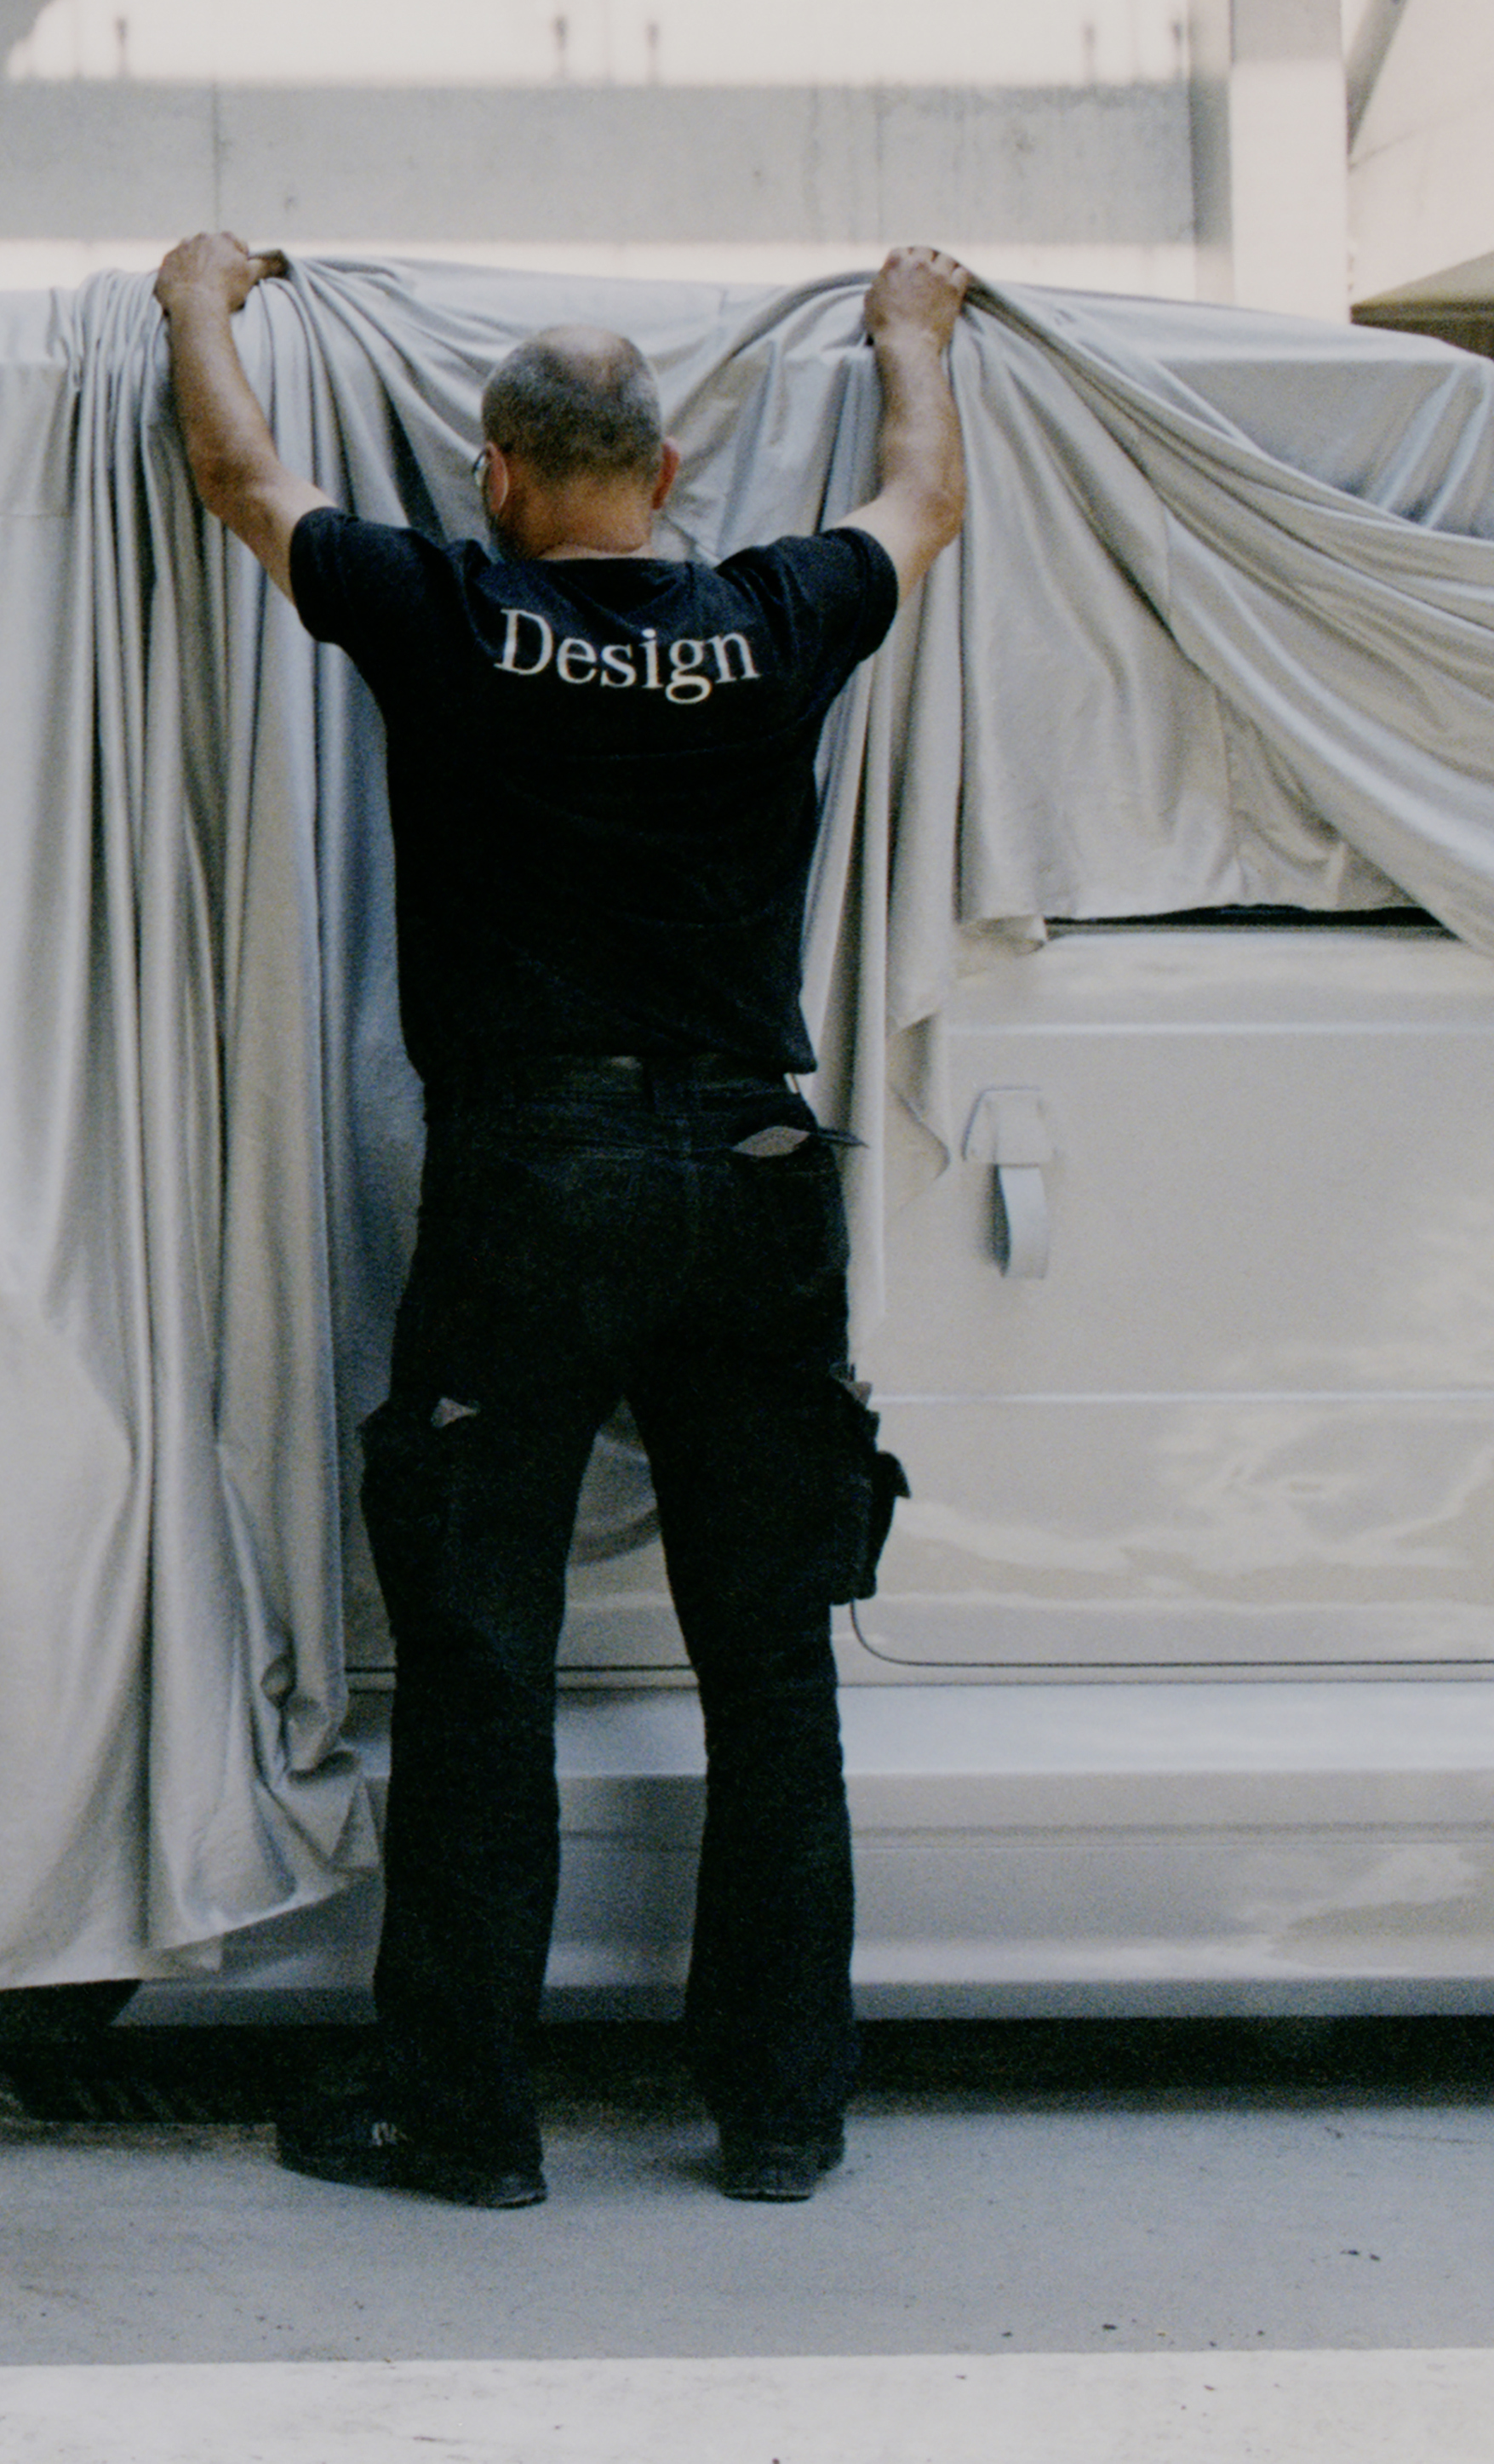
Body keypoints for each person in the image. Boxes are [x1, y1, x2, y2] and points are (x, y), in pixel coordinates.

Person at [152, 233, 974, 2210]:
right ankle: (780, 2114)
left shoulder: (447, 606)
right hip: (755, 1169)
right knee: (770, 1665)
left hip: (536, 1177)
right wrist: (908, 333)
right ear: (669, 475)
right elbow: (927, 497)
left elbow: (240, 474)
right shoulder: (776, 613)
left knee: (480, 1655)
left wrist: (197, 299)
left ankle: (464, 2110)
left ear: (500, 475)